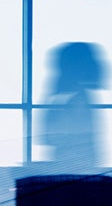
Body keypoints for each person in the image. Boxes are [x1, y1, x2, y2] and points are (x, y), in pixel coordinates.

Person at [40, 41, 107, 170]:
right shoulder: (74, 99)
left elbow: (49, 137)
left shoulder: (64, 98)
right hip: (76, 167)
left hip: (74, 166)